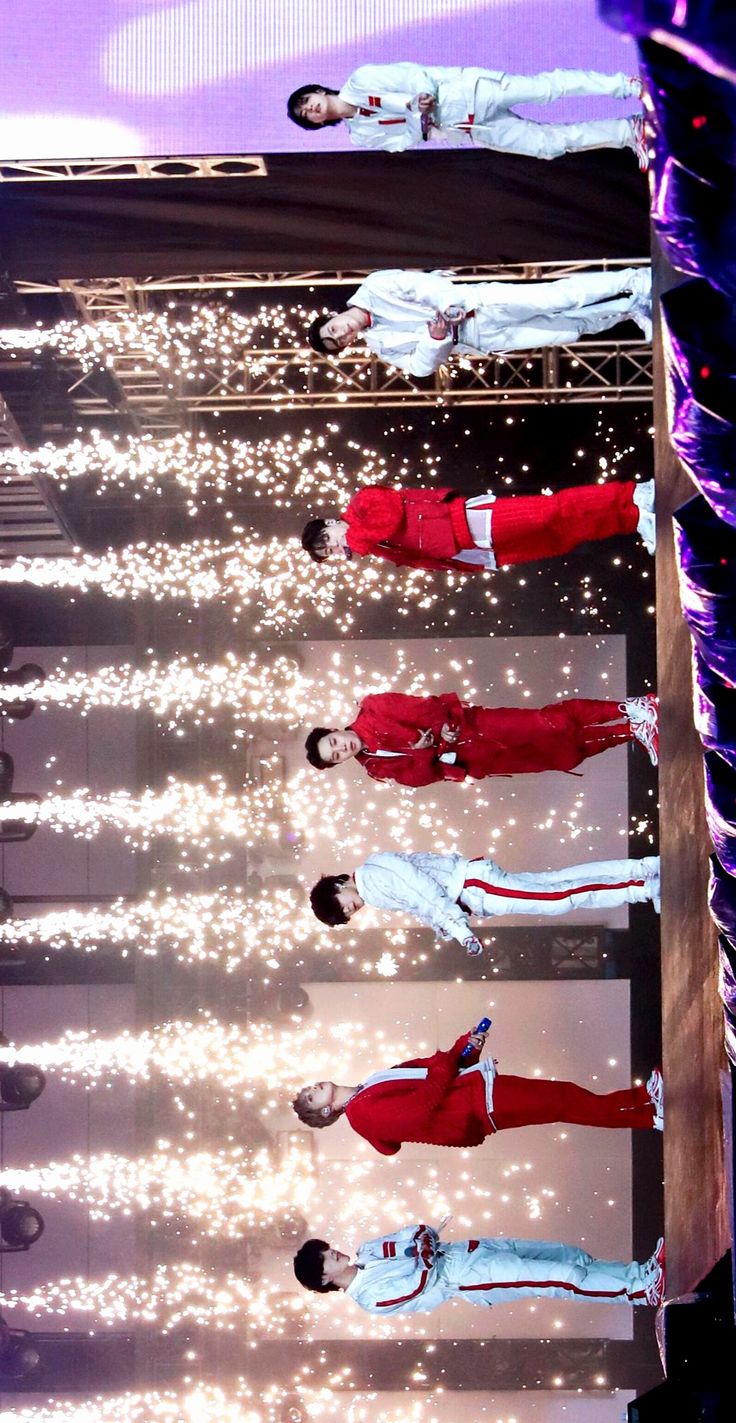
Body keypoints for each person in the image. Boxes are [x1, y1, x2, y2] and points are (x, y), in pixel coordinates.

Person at [291, 1024, 665, 1152]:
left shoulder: (368, 1087)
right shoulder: (361, 1113)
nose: (315, 1086)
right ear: (325, 1111)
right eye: (312, 1095)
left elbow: (430, 1072)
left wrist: (464, 1048)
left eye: (309, 1086)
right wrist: (449, 1062)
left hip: (475, 1092)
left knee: (562, 1101)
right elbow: (423, 1106)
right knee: (563, 1099)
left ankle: (646, 1107)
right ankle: (646, 1109)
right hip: (477, 1103)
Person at [306, 267, 653, 374]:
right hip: (481, 339)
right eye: (339, 342)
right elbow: (420, 368)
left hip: (479, 305)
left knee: (559, 297)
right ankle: (631, 308)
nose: (344, 334)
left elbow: (419, 285)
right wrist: (434, 339)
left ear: (333, 317)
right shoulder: (381, 345)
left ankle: (633, 280)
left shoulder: (374, 287)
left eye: (334, 330)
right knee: (568, 330)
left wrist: (448, 302)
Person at [286, 64, 648, 166]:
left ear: (319, 90)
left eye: (307, 99)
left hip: (466, 93)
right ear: (316, 123)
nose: (311, 108)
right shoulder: (359, 135)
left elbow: (414, 76)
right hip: (463, 128)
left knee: (546, 89)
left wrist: (419, 99)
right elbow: (402, 142)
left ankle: (628, 85)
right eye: (306, 114)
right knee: (547, 145)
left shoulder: (361, 79)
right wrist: (420, 122)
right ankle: (629, 131)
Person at [309, 849, 661, 954]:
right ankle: (642, 875)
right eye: (344, 916)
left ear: (339, 884)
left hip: (472, 889)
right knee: (558, 885)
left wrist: (459, 929)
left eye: (340, 904)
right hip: (472, 888)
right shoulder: (373, 874)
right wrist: (446, 925)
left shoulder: (371, 881)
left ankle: (643, 883)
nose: (348, 910)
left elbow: (423, 892)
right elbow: (423, 895)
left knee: (558, 897)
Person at [304, 690, 659, 783]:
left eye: (334, 742)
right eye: (336, 755)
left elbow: (422, 708)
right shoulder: (375, 768)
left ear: (335, 730)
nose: (342, 748)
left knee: (551, 722)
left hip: (472, 726)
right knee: (562, 757)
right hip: (474, 761)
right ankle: (632, 731)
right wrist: (426, 755)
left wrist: (441, 730)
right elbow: (419, 779)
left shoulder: (373, 709)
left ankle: (630, 709)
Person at [300, 478, 656, 570]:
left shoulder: (361, 506)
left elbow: (392, 515)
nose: (336, 548)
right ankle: (633, 517)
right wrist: (465, 565)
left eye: (328, 540)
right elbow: (421, 558)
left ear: (331, 522)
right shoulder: (370, 545)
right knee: (559, 538)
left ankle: (632, 492)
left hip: (467, 520)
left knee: (552, 510)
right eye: (330, 551)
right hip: (473, 550)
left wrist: (357, 542)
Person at [293, 1222, 666, 1310]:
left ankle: (638, 1274)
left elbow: (411, 1232)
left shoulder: (365, 1251)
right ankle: (640, 1291)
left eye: (327, 1249)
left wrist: (422, 1238)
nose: (334, 1253)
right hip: (465, 1278)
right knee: (562, 1278)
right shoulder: (368, 1298)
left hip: (466, 1251)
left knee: (566, 1257)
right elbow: (414, 1288)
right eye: (326, 1258)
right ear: (324, 1278)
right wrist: (422, 1259)